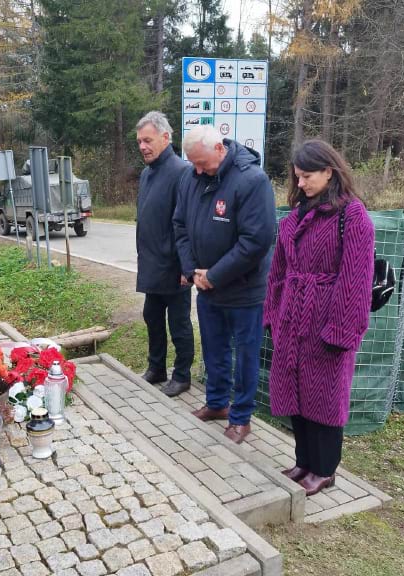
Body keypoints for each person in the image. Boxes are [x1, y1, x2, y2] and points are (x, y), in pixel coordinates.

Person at [264, 139, 375, 496]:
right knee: (296, 392)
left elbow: (356, 278)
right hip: (293, 318)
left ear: (329, 172)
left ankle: (324, 469)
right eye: (297, 177)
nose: (301, 184)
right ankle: (303, 461)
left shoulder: (352, 216)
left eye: (307, 176)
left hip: (327, 319)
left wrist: (342, 330)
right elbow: (278, 270)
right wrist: (273, 313)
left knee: (325, 397)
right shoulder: (296, 214)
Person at [173, 125, 276, 444]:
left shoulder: (252, 181)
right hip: (206, 288)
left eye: (202, 163)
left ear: (220, 148)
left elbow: (256, 241)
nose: (198, 170)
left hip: (244, 290)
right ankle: (217, 403)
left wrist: (214, 275)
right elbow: (180, 226)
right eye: (193, 163)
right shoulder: (192, 178)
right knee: (214, 349)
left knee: (245, 356)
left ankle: (241, 416)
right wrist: (192, 270)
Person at [134, 111, 194, 397]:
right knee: (152, 317)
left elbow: (187, 223)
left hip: (175, 266)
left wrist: (187, 267)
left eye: (148, 140)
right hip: (151, 263)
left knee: (179, 323)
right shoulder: (147, 174)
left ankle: (182, 375)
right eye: (139, 142)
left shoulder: (182, 171)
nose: (143, 146)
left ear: (166, 137)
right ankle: (156, 367)